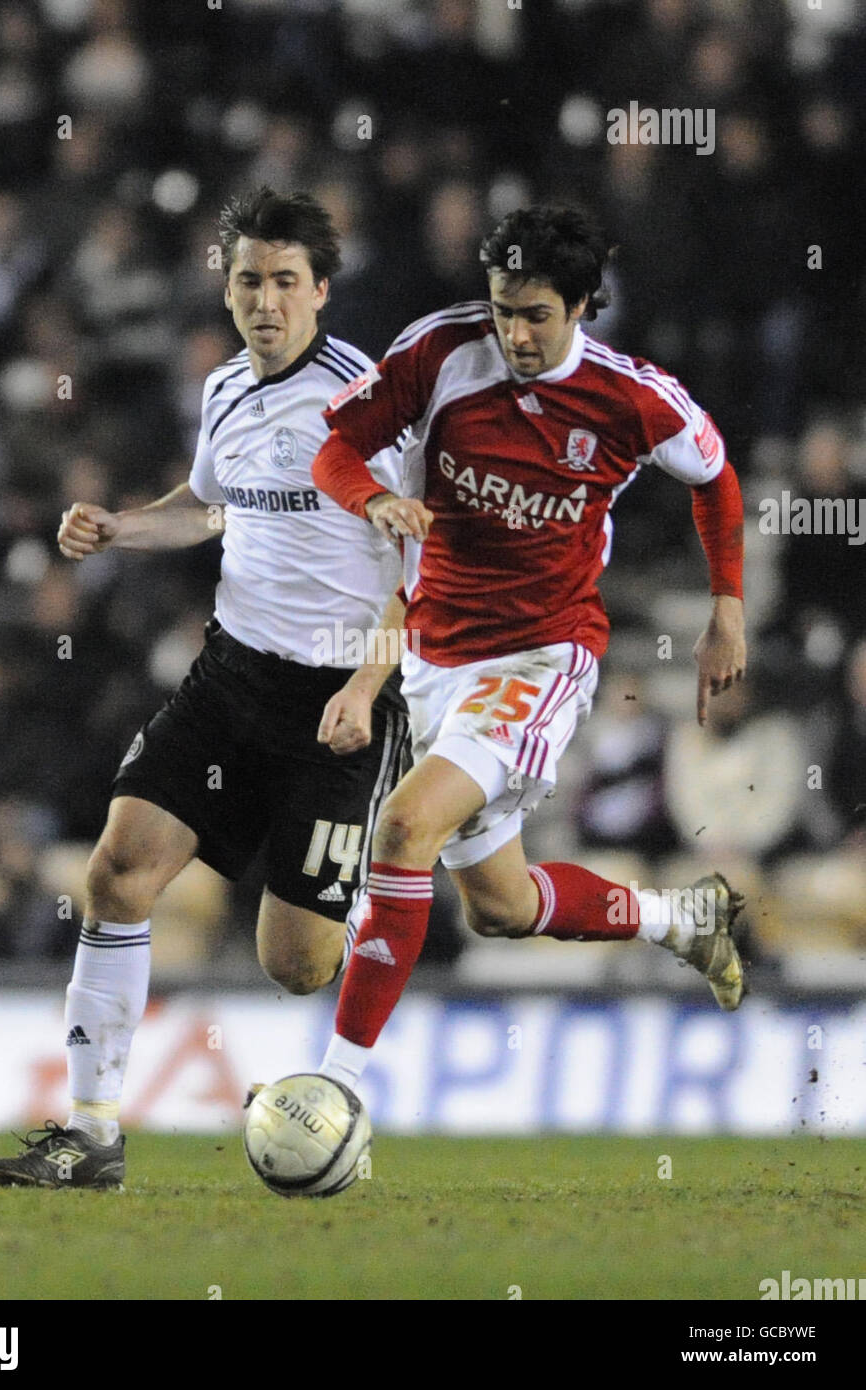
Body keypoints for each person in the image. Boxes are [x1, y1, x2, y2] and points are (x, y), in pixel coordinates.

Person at [0, 188, 409, 1188]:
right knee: (117, 871)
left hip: (339, 699)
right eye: (249, 281)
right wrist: (122, 528)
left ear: (322, 291)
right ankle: (91, 1132)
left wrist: (369, 680)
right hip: (232, 674)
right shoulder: (224, 391)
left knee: (295, 964)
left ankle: (382, 892)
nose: (268, 300)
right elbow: (210, 507)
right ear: (227, 290)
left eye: (286, 282)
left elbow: (420, 564)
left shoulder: (368, 403)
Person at [305, 205, 748, 1097]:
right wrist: (372, 502)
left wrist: (726, 608)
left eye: (535, 313)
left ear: (583, 305)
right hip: (435, 657)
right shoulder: (439, 353)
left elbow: (715, 477)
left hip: (540, 657)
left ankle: (334, 1088)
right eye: (503, 308)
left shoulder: (631, 399)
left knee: (400, 826)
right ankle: (680, 920)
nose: (514, 331)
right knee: (502, 908)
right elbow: (337, 449)